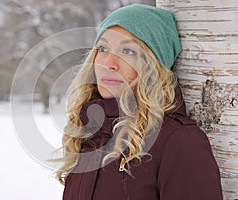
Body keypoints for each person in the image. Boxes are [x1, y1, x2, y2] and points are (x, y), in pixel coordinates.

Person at [56, 4, 223, 200]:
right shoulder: (90, 130)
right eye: (102, 48)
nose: (108, 64)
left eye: (128, 51)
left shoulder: (178, 140)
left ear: (153, 65)